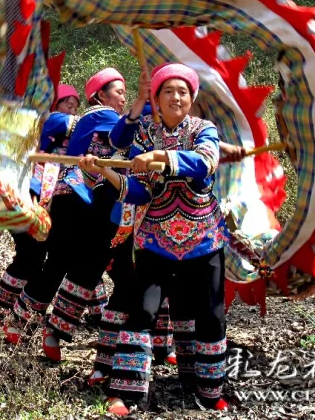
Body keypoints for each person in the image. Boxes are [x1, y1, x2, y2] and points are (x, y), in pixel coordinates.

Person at [80, 62, 230, 416]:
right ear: (156, 100)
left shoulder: (203, 129)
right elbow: (139, 193)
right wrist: (104, 170)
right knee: (142, 311)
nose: (176, 97)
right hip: (155, 240)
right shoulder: (144, 133)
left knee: (210, 314)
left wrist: (162, 158)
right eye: (167, 91)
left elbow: (205, 162)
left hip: (203, 237)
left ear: (191, 99)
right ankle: (127, 393)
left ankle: (209, 391)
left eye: (183, 92)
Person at [2, 68, 127, 360]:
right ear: (100, 95)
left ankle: (38, 327)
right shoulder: (99, 116)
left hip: (101, 204)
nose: (123, 98)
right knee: (65, 264)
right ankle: (34, 326)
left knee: (81, 267)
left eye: (125, 93)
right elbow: (125, 136)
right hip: (77, 199)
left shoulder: (96, 120)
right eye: (119, 92)